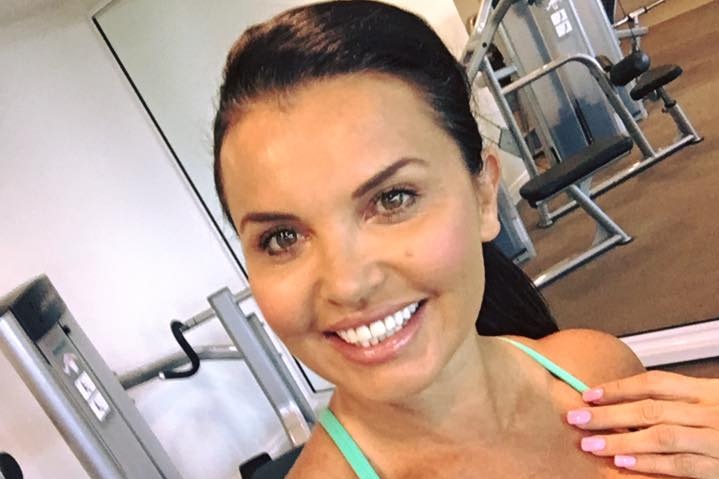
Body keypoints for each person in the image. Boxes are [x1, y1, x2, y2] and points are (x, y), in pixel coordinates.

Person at [211, 1, 719, 477]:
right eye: (281, 238)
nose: (346, 284)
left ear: (483, 196)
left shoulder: (593, 368)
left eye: (392, 199)